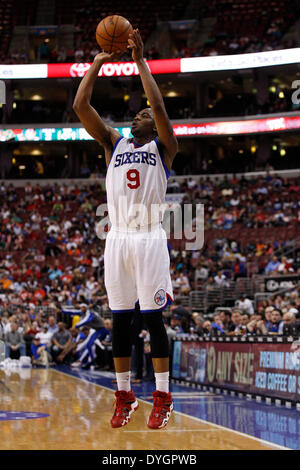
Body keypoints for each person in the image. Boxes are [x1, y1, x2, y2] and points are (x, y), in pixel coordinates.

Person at [73, 29, 178, 429]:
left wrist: (139, 60)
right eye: (137, 113)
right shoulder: (113, 143)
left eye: (145, 114)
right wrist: (96, 65)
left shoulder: (164, 147)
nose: (140, 113)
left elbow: (159, 106)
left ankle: (163, 397)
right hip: (116, 236)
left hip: (149, 235)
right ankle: (124, 396)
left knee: (153, 320)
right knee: (119, 320)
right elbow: (81, 105)